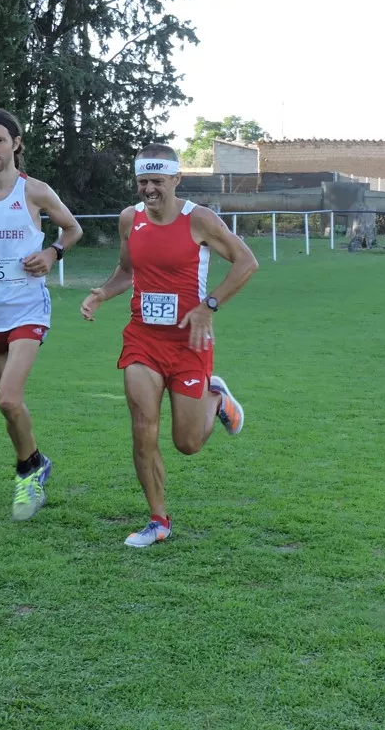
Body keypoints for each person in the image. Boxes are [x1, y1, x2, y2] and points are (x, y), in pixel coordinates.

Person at [79, 143, 259, 548]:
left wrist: (207, 306)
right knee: (143, 429)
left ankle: (217, 399)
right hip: (143, 339)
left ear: (176, 179)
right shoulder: (130, 220)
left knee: (188, 443)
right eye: (143, 181)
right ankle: (158, 519)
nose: (149, 189)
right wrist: (102, 295)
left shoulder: (201, 220)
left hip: (189, 343)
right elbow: (127, 270)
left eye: (157, 181)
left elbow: (246, 262)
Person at [0, 107, 83, 522]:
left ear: (16, 144)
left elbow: (73, 228)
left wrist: (51, 252)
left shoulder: (34, 191)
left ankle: (27, 471)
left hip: (27, 304)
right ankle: (34, 463)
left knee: (8, 396)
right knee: (8, 406)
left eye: (0, 140)